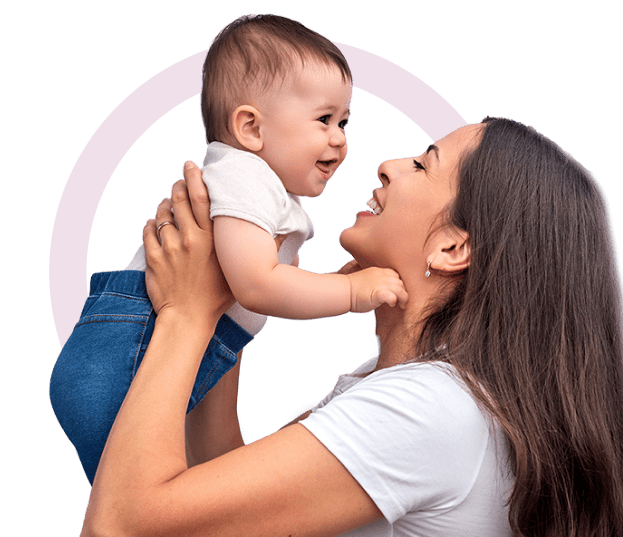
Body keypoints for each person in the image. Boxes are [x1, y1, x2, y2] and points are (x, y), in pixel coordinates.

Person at [79, 118, 623, 536]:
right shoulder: (400, 387)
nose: (388, 163)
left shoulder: (430, 410)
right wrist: (225, 311)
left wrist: (185, 315)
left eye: (423, 163)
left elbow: (123, 526)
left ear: (454, 246)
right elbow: (222, 513)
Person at [49, 13, 406, 485]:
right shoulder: (244, 177)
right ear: (251, 128)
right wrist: (355, 293)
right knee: (142, 510)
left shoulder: (267, 191)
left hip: (141, 356)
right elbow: (256, 284)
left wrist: (333, 284)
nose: (340, 140)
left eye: (344, 121)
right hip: (126, 354)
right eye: (323, 120)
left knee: (165, 500)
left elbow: (254, 289)